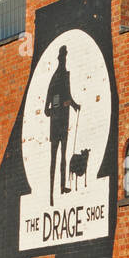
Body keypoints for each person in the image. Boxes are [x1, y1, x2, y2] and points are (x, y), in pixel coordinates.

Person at [45, 45, 81, 205]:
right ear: (60, 58)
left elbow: (68, 95)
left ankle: (61, 188)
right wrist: (57, 107)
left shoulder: (65, 75)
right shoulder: (56, 76)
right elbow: (47, 105)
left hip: (63, 119)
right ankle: (51, 194)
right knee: (55, 156)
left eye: (65, 56)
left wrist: (73, 105)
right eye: (63, 57)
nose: (64, 59)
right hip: (57, 121)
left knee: (63, 156)